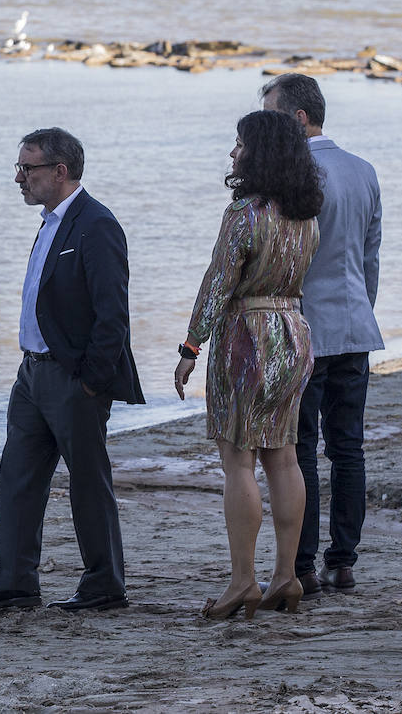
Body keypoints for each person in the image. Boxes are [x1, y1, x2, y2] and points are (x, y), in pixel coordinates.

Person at [0, 127, 144, 613]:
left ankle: (105, 583)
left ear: (60, 172)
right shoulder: (49, 221)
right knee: (17, 478)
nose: (18, 177)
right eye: (20, 167)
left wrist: (91, 379)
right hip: (31, 374)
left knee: (88, 480)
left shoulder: (97, 224)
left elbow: (114, 314)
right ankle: (14, 582)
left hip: (73, 377)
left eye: (27, 169)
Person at [174, 109, 323, 619]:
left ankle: (243, 580)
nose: (233, 152)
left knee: (238, 459)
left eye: (240, 144)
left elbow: (217, 286)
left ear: (260, 153)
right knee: (284, 456)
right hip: (295, 331)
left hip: (247, 337)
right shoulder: (306, 215)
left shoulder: (244, 213)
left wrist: (190, 348)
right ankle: (287, 575)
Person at [261, 73, 383, 596]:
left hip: (304, 328)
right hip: (355, 324)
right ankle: (344, 560)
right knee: (348, 449)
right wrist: (362, 308)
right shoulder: (363, 170)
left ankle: (304, 566)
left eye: (270, 116)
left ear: (297, 118)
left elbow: (277, 259)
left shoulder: (293, 175)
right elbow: (370, 256)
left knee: (301, 449)